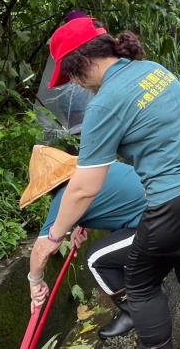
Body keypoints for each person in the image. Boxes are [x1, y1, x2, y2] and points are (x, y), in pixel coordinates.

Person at [31, 17, 180, 349]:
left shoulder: (103, 104)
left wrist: (52, 237)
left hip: (178, 201)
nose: (76, 83)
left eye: (70, 75)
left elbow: (84, 187)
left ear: (80, 65)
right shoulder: (153, 70)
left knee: (140, 282)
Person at [24, 145, 145, 339]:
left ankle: (133, 311)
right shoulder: (96, 169)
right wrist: (81, 225)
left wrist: (35, 282)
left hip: (154, 221)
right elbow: (110, 196)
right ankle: (147, 295)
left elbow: (41, 251)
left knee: (95, 259)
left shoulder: (65, 196)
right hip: (168, 204)